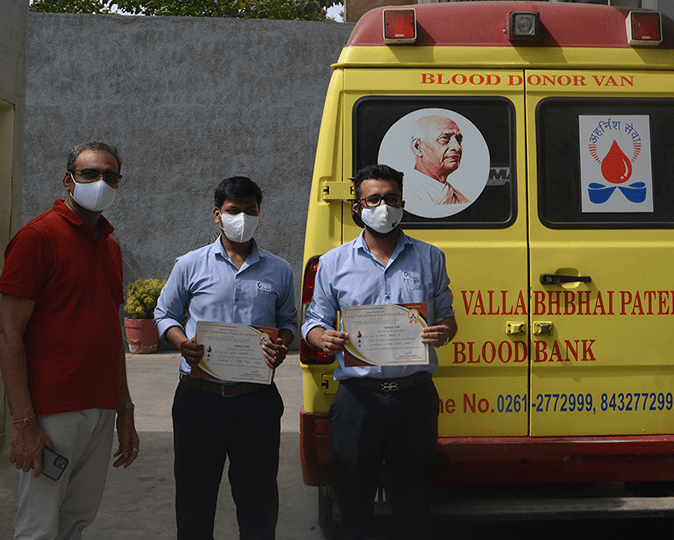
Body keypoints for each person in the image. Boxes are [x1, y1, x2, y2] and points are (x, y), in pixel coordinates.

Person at [302, 164, 457, 539]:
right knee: (353, 504)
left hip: (413, 398)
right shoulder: (333, 262)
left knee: (414, 502)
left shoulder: (430, 257)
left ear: (403, 203)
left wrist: (444, 332)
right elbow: (312, 321)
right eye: (373, 199)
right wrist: (321, 337)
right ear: (358, 207)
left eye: (390, 199)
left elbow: (449, 319)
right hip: (358, 400)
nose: (382, 206)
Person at [0, 141, 139, 540]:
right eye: (89, 173)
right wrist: (24, 421)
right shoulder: (37, 237)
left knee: (76, 521)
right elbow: (8, 333)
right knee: (39, 527)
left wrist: (124, 409)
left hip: (102, 407)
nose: (100, 182)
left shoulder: (109, 246)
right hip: (53, 411)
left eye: (110, 176)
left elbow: (110, 333)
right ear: (68, 180)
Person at [153, 176, 296, 540]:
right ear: (217, 215)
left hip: (256, 401)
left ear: (260, 214)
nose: (242, 218)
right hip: (199, 400)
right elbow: (164, 313)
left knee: (258, 502)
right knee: (194, 501)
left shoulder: (279, 269)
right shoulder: (190, 264)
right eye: (234, 211)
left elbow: (288, 322)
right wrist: (181, 341)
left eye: (251, 211)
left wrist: (281, 344)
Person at [406, 115, 468, 206]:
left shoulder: (462, 200)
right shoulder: (402, 191)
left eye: (459, 140)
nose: (457, 147)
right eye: (444, 138)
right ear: (417, 147)